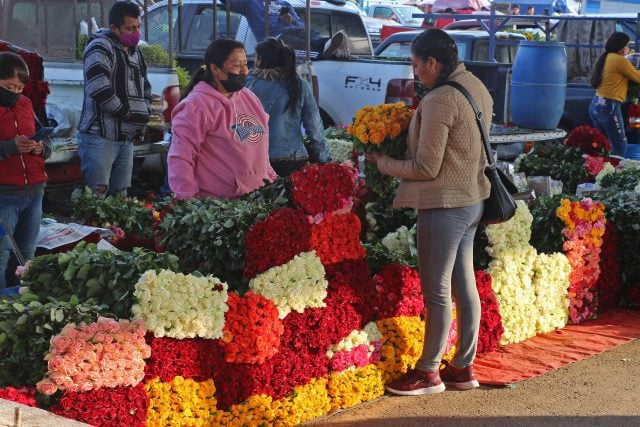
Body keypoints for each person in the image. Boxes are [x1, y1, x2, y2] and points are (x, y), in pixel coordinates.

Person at [366, 29, 492, 396]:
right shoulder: (476, 86)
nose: (415, 71)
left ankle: (428, 372)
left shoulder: (439, 100)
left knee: (437, 292)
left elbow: (425, 167)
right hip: (472, 201)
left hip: (444, 204)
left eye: (416, 64)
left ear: (433, 63)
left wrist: (383, 161)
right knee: (464, 286)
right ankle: (462, 367)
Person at [167, 39, 276, 199]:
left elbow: (261, 150)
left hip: (258, 198)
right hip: (220, 206)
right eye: (236, 65)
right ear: (215, 69)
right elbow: (181, 158)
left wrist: (273, 179)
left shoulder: (250, 97)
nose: (244, 71)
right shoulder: (195, 106)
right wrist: (187, 199)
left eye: (245, 64)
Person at [77, 1, 151, 197]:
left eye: (138, 27)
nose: (136, 32)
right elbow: (99, 89)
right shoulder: (100, 47)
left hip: (125, 139)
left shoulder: (135, 52)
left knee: (120, 199)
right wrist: (128, 114)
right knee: (96, 198)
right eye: (130, 28)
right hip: (100, 137)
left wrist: (145, 112)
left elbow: (145, 86)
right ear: (114, 27)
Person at [0, 52, 51, 288]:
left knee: (26, 257)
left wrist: (40, 148)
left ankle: (22, 307)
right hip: (5, 195)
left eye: (20, 88)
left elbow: (47, 142)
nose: (15, 93)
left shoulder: (27, 104)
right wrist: (10, 147)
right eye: (9, 86)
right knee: (1, 258)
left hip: (34, 192)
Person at [246, 38, 330, 177]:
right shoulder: (298, 83)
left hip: (253, 158)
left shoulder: (247, 83)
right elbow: (314, 126)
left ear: (261, 60)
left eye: (256, 57)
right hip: (291, 158)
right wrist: (324, 159)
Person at [223, 0, 351, 59]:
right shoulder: (251, 3)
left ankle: (328, 45)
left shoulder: (285, 4)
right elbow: (229, 3)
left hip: (294, 30)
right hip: (275, 40)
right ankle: (333, 50)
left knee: (310, 34)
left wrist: (291, 20)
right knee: (297, 43)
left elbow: (300, 25)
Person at [589, 31, 640, 156]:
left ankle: (599, 171)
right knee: (619, 144)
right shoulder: (618, 60)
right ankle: (616, 172)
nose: (628, 49)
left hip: (596, 104)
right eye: (627, 45)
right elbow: (637, 77)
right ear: (621, 46)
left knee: (602, 145)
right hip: (609, 106)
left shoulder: (605, 57)